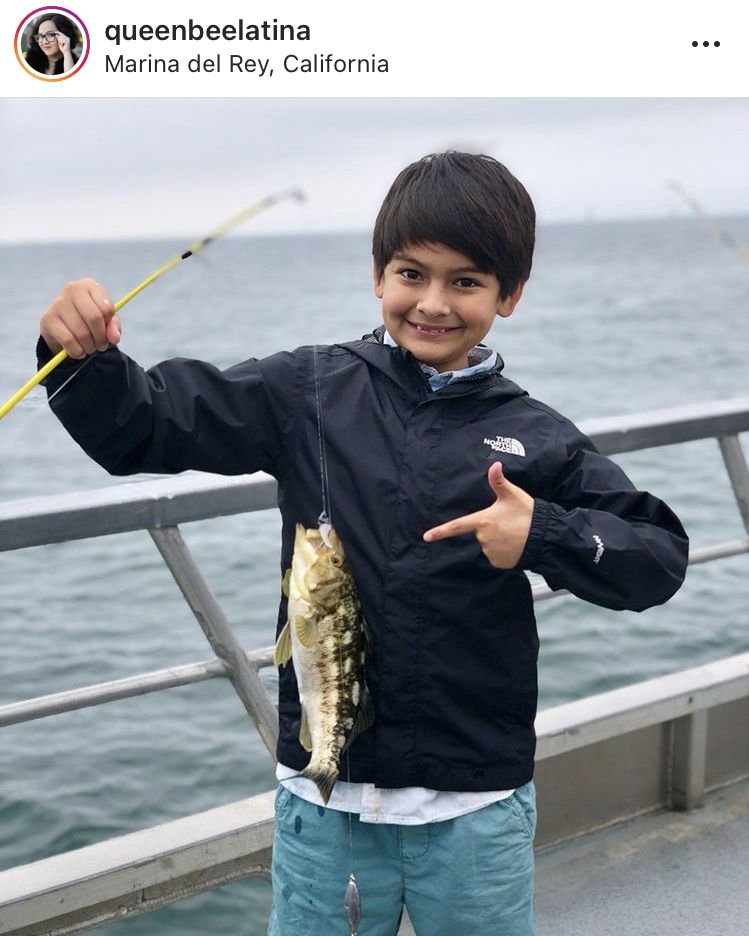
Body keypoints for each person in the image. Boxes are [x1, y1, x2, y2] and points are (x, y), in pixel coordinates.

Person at [37, 152, 689, 935]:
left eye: (467, 282)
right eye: (412, 274)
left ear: (509, 296)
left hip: (476, 805)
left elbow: (657, 556)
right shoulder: (307, 389)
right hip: (326, 806)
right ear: (378, 275)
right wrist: (82, 356)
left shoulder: (536, 436)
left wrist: (542, 533)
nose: (433, 303)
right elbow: (145, 425)